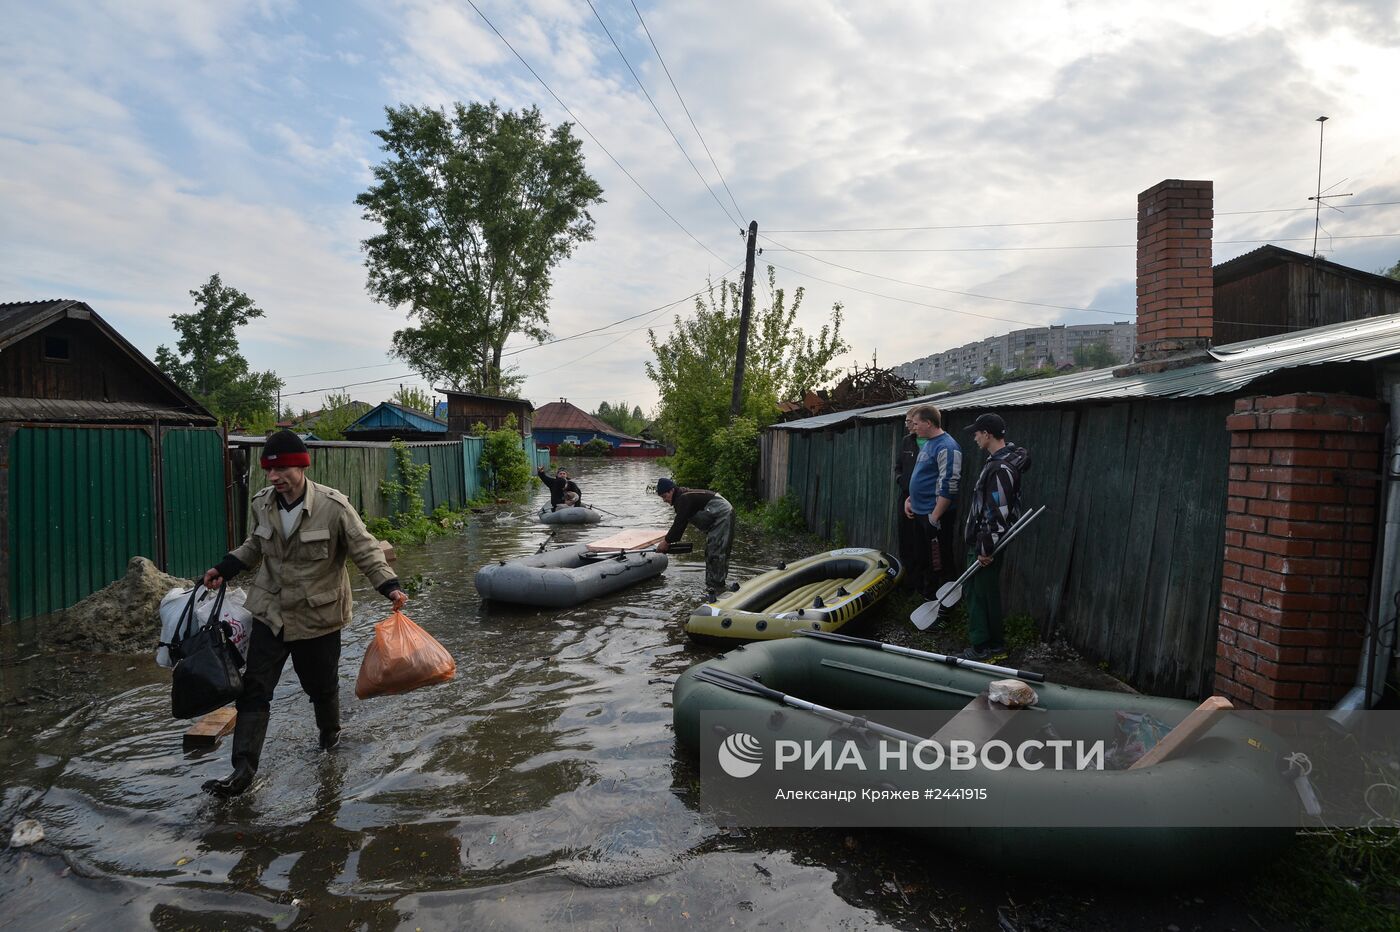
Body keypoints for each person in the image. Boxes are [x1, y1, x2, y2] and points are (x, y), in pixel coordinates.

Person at [199, 430, 408, 797]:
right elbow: (254, 545)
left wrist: (388, 585)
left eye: (280, 470)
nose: (274, 478)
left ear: (301, 466)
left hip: (318, 617)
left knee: (321, 687)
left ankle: (330, 738)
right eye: (269, 471)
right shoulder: (263, 502)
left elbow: (365, 549)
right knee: (254, 689)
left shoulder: (333, 506)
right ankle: (243, 772)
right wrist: (225, 567)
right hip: (271, 611)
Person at [962, 413, 1031, 662]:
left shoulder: (1001, 468)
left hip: (987, 544)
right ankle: (994, 645)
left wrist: (985, 548)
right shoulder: (998, 462)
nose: (974, 437)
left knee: (979, 594)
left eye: (977, 433)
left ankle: (983, 647)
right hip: (986, 542)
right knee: (983, 592)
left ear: (988, 434)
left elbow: (997, 511)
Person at [904, 404, 962, 599]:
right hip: (920, 512)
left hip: (935, 517)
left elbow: (949, 486)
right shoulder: (928, 443)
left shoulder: (948, 446)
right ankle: (928, 598)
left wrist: (934, 517)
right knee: (924, 559)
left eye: (917, 423)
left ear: (928, 423)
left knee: (940, 562)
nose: (914, 427)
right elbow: (923, 477)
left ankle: (945, 607)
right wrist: (910, 499)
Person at [654, 477, 734, 599]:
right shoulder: (681, 498)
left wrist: (666, 542)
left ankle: (717, 589)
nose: (664, 500)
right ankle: (714, 586)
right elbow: (682, 523)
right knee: (711, 551)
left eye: (664, 496)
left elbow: (679, 524)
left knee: (716, 552)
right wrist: (669, 540)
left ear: (671, 491)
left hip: (722, 515)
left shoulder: (683, 498)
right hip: (717, 517)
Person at [892, 412, 929, 595]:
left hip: (924, 501)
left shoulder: (931, 443)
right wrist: (901, 480)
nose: (907, 425)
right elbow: (898, 466)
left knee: (921, 542)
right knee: (905, 539)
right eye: (906, 421)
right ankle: (908, 583)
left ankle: (923, 586)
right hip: (905, 497)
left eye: (909, 421)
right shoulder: (906, 441)